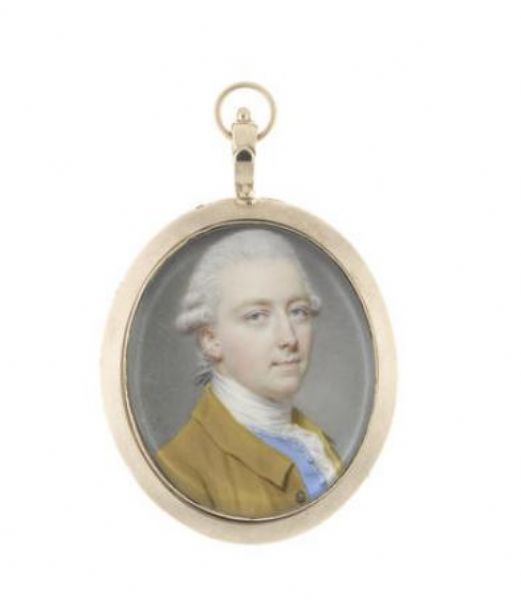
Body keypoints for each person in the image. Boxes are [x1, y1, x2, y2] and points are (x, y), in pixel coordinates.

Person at [155, 229, 342, 518]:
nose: (289, 338)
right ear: (211, 340)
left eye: (298, 312)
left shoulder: (313, 442)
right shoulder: (181, 467)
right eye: (256, 316)